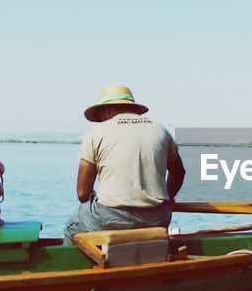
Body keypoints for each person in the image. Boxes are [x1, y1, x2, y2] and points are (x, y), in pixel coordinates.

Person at [64, 84, 186, 241]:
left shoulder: (96, 133)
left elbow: (82, 193)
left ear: (106, 110)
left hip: (112, 217)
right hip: (157, 217)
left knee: (72, 227)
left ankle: (77, 264)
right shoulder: (160, 130)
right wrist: (167, 199)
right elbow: (179, 171)